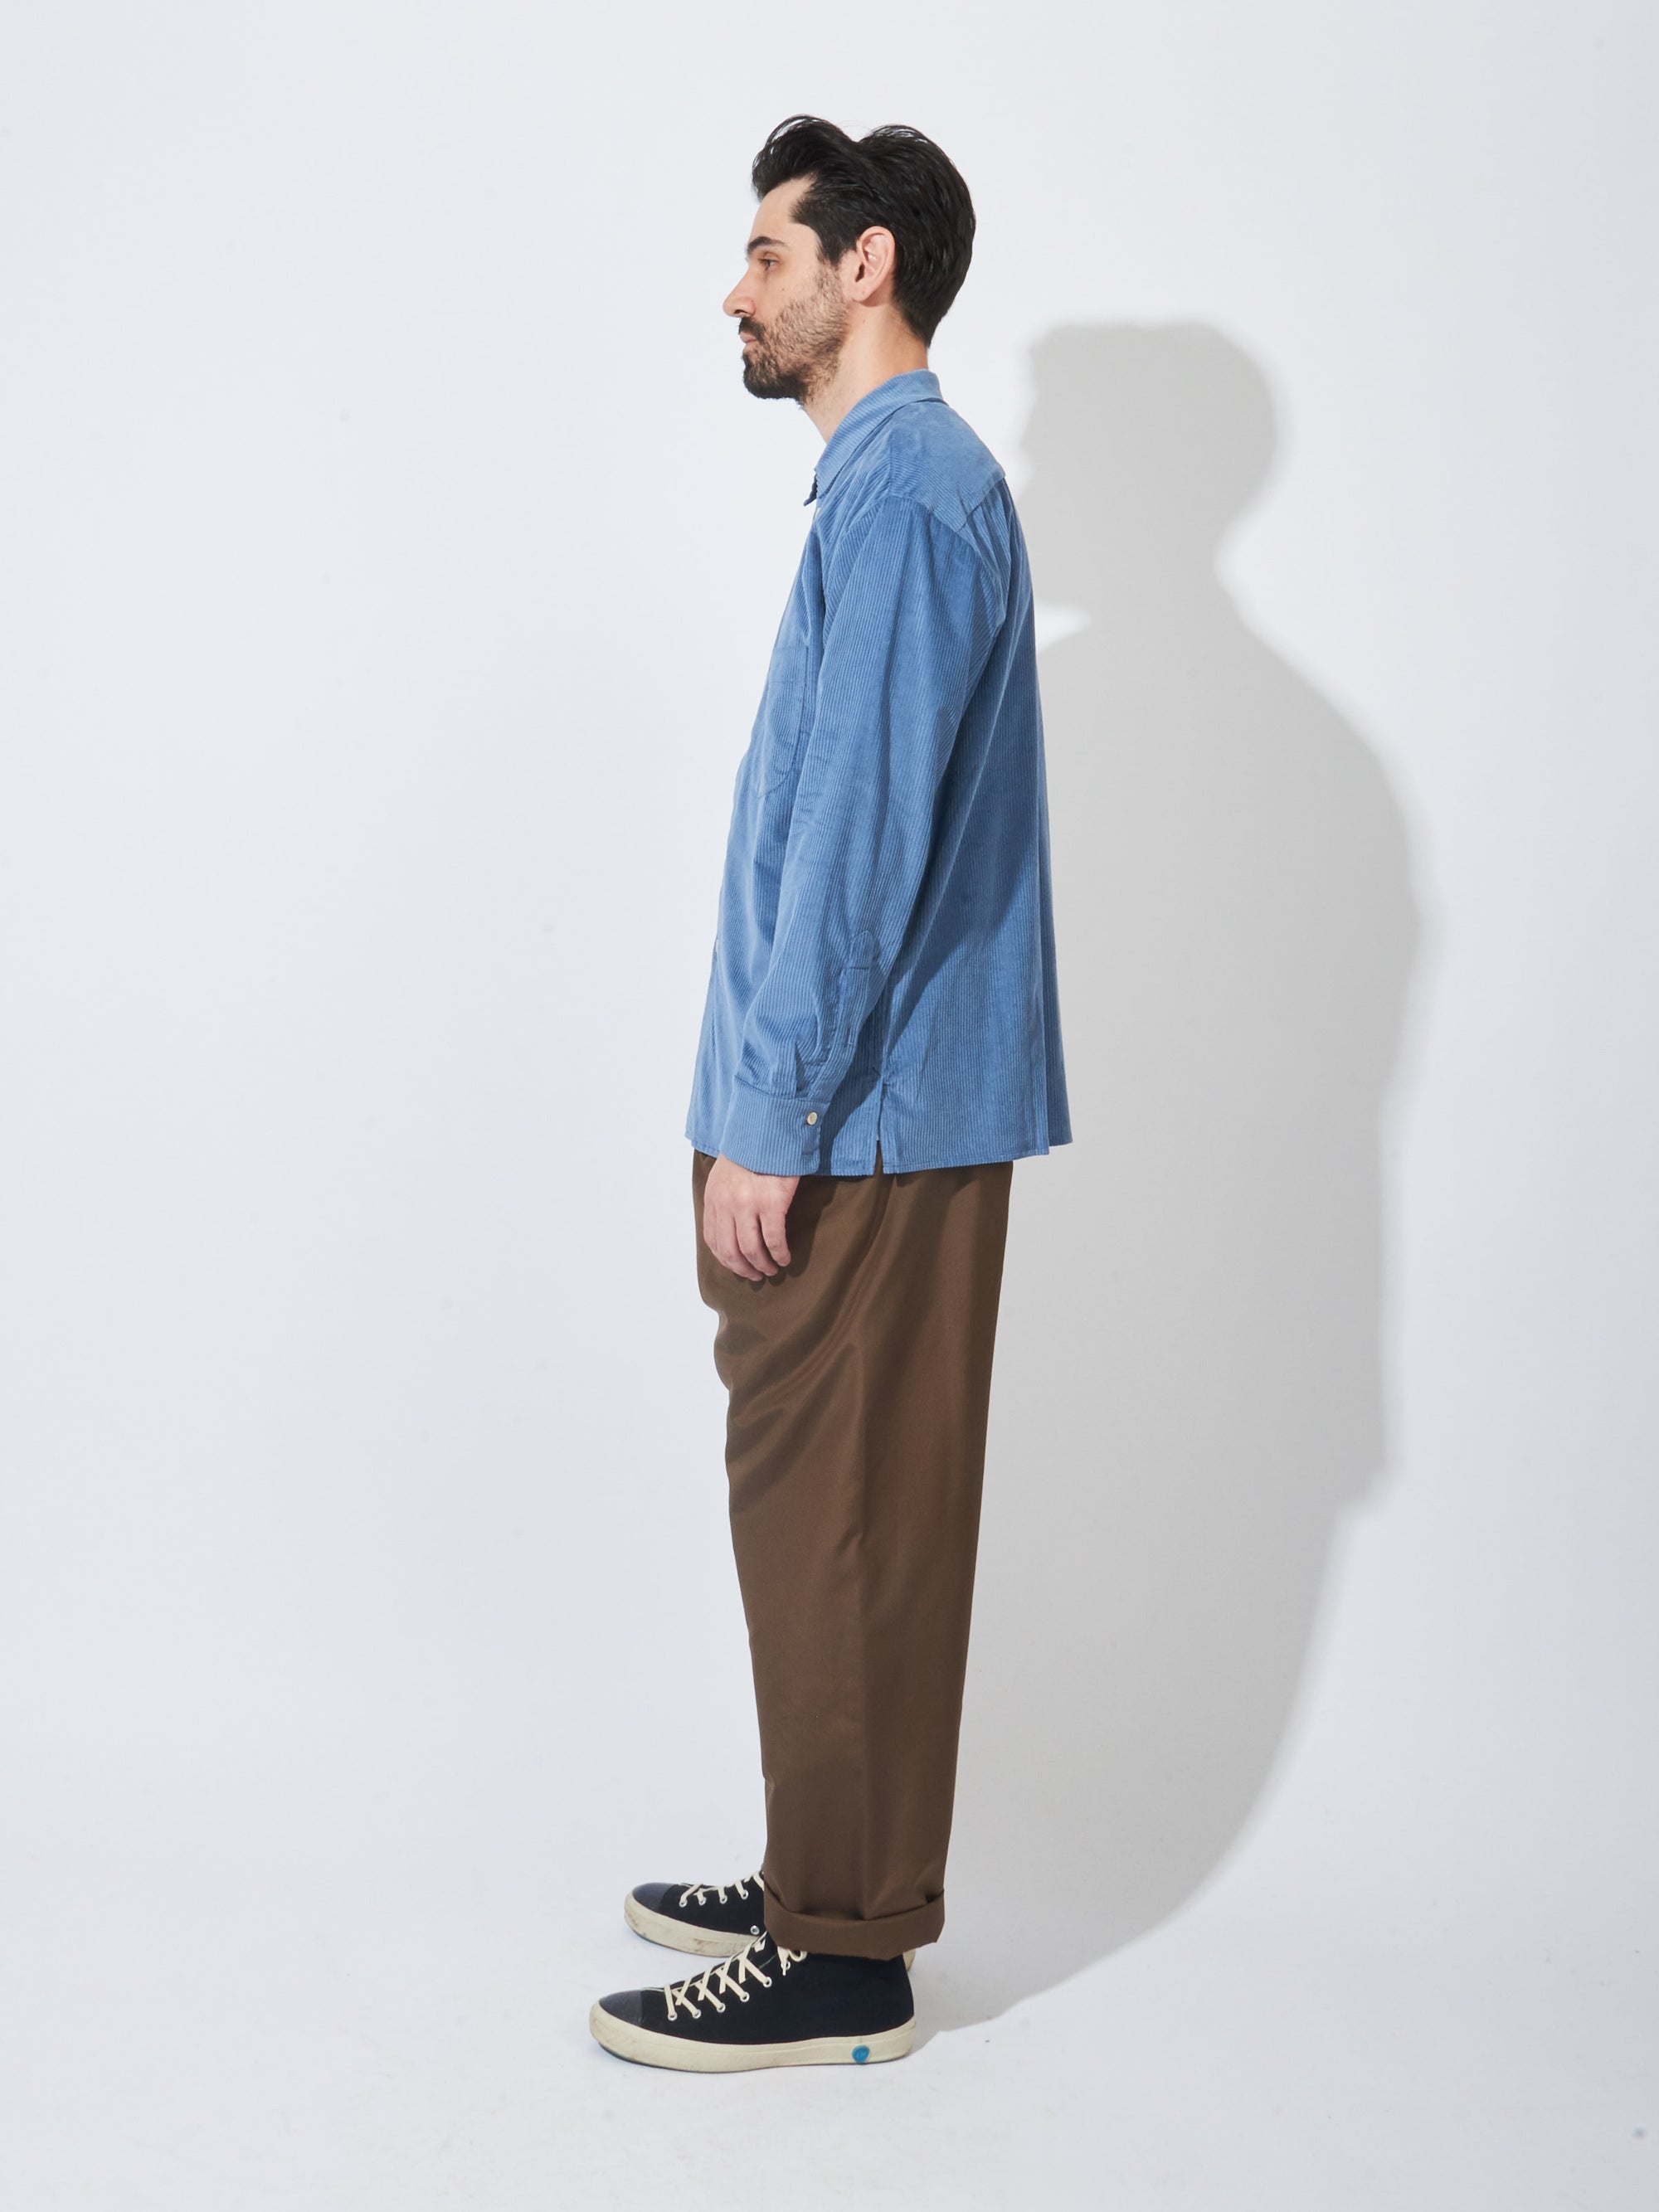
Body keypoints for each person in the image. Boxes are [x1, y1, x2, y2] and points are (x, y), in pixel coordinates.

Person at [589, 114, 1070, 2073]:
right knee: (821, 1520)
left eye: (768, 252)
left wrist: (771, 1116)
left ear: (866, 266)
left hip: (861, 1123)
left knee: (845, 1522)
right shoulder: (890, 492)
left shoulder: (908, 496)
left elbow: (861, 842)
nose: (736, 288)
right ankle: (821, 1874)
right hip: (857, 1111)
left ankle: (845, 1953)